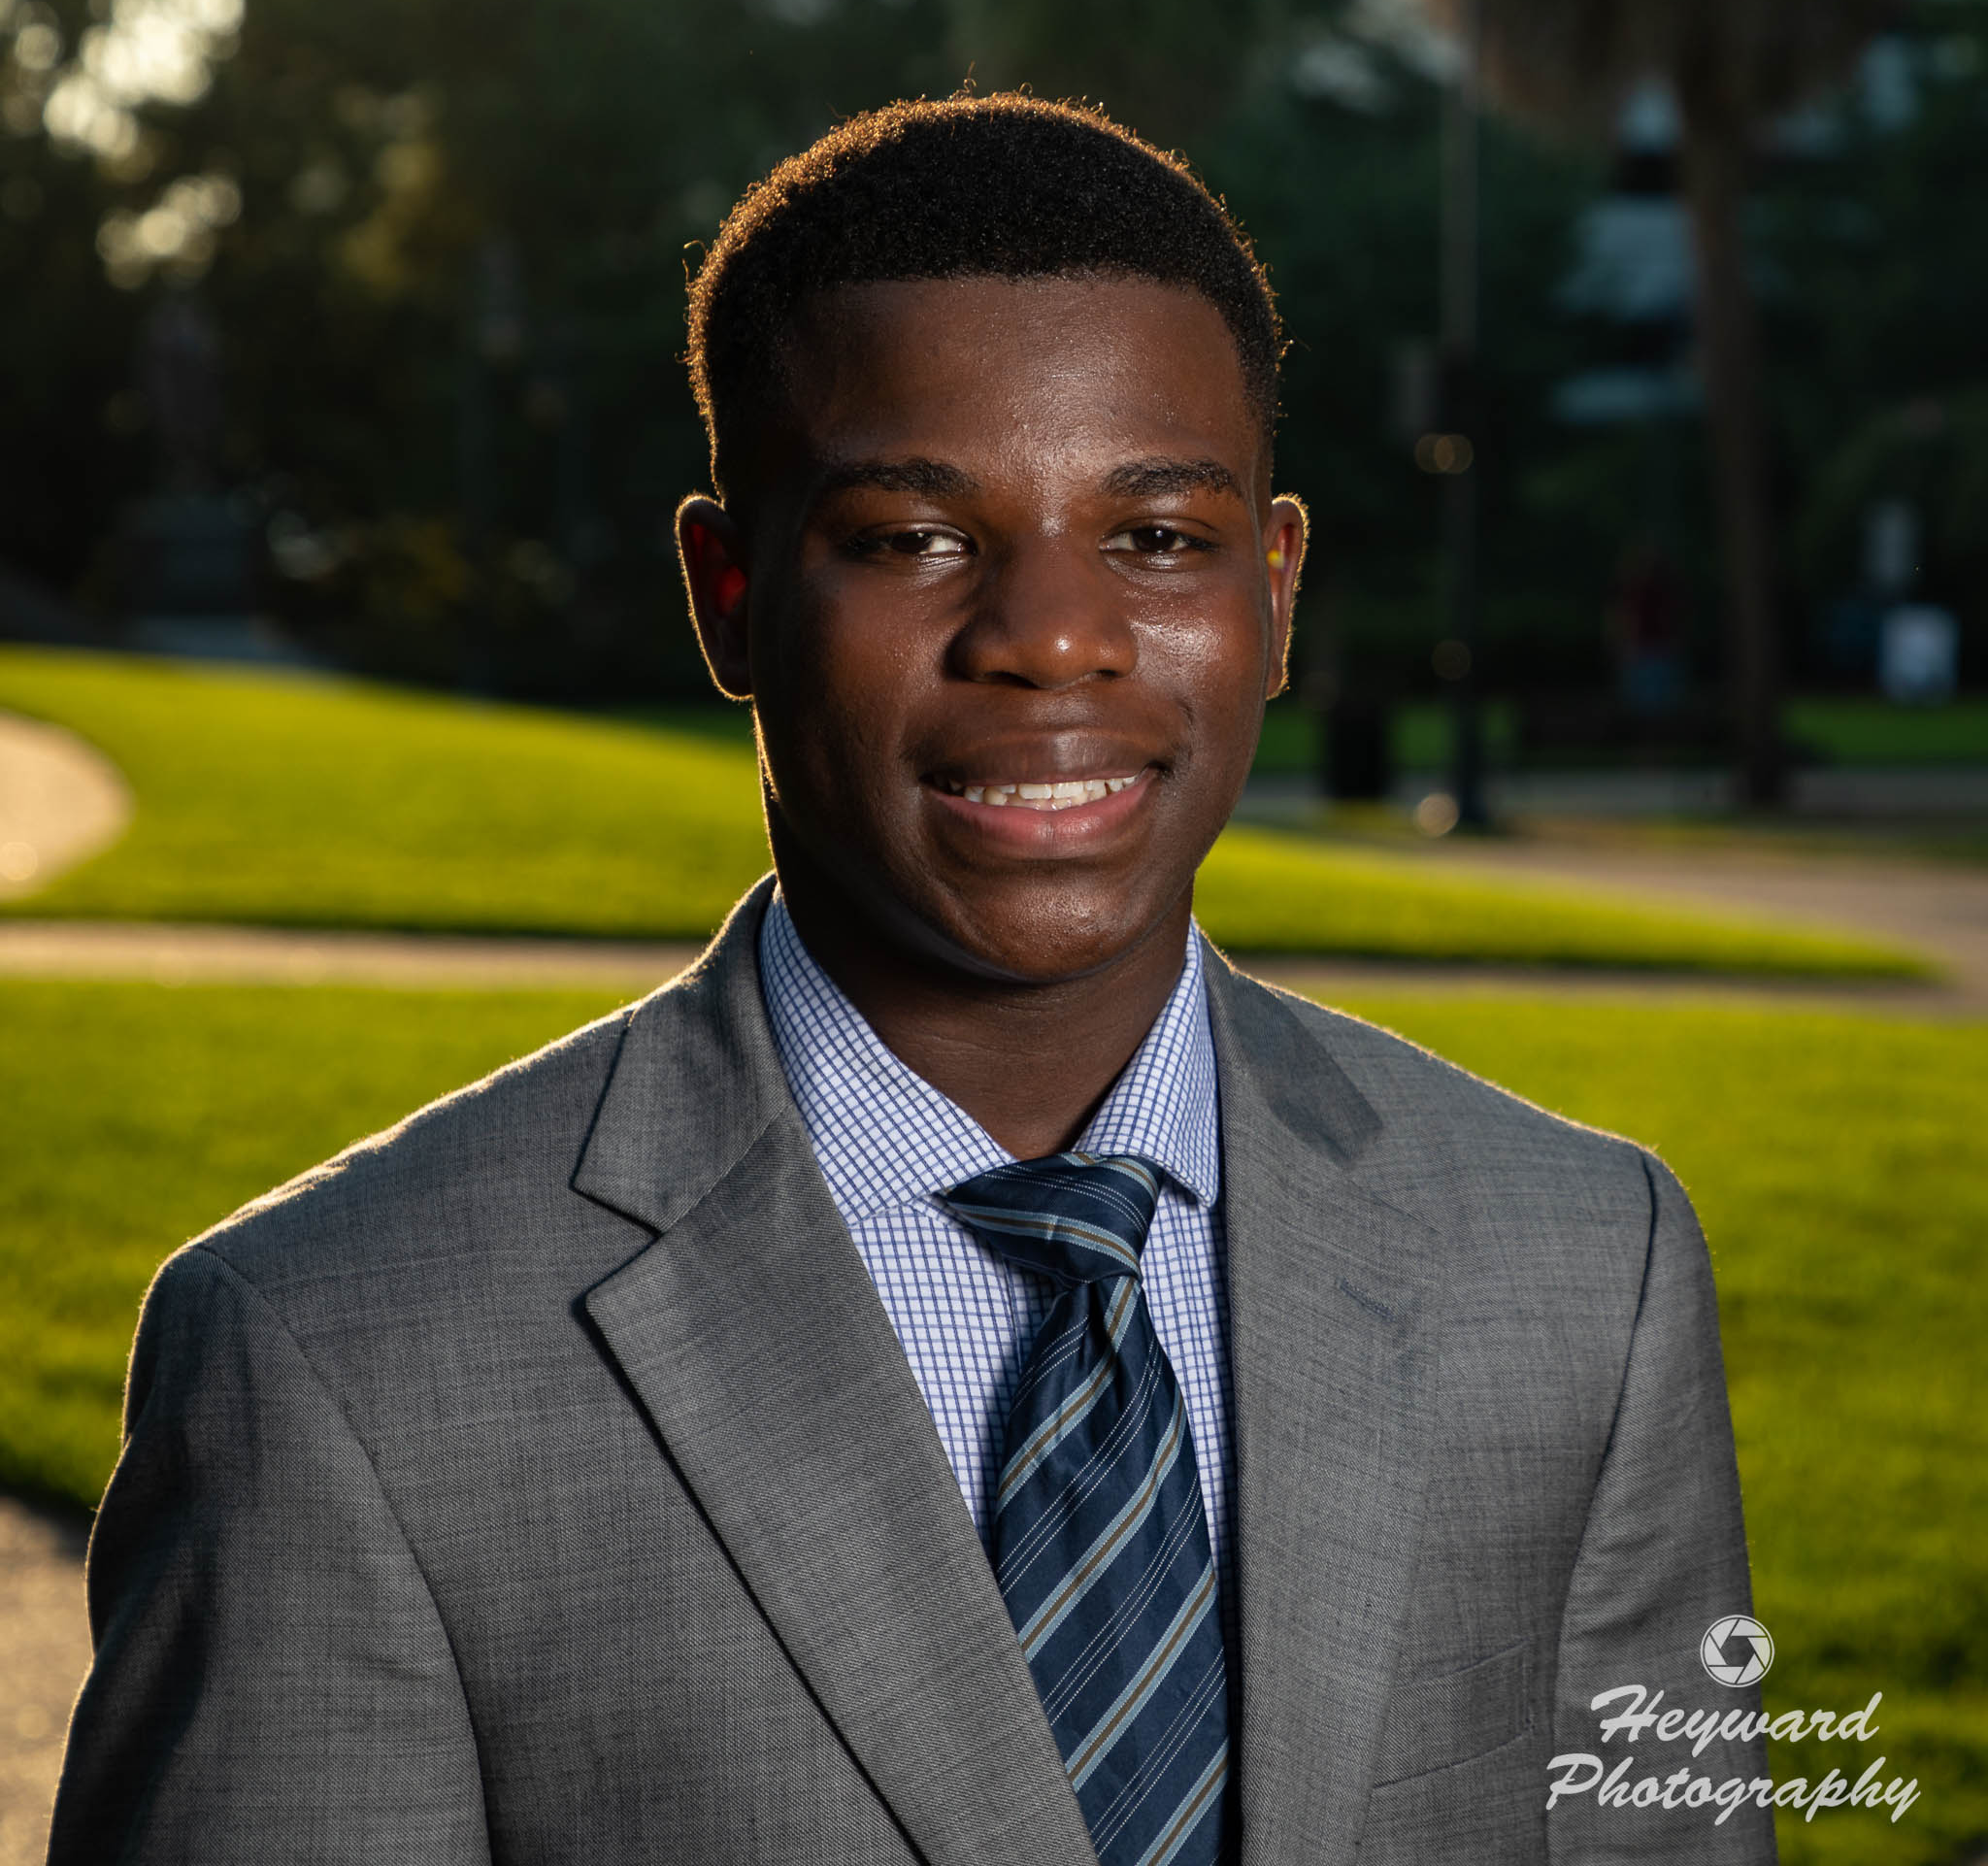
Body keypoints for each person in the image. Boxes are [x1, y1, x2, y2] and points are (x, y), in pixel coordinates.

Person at [50, 94, 1773, 1865]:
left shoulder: (1589, 1271)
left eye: (1159, 537)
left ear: (1276, 588)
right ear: (728, 595)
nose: (1049, 634)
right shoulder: (337, 1356)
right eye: (910, 536)